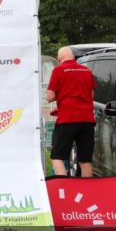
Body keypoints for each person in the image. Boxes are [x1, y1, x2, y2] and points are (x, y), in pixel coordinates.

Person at [46, 46, 96, 177]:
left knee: (57, 157)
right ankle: (87, 188)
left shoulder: (58, 70)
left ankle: (64, 185)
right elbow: (90, 96)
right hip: (87, 120)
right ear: (73, 57)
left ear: (59, 58)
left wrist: (64, 97)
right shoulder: (87, 71)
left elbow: (50, 97)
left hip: (67, 119)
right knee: (85, 160)